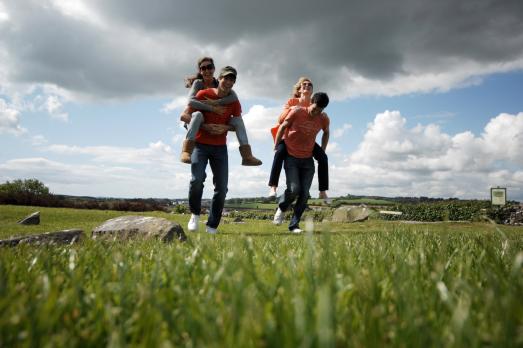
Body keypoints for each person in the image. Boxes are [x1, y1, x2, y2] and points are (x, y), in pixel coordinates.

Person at [186, 66, 249, 234]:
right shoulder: (202, 95)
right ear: (219, 78)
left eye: (232, 80)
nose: (228, 82)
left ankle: (212, 225)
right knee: (196, 180)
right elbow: (189, 118)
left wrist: (225, 128)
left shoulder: (234, 102)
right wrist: (205, 126)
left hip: (220, 148)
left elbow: (237, 124)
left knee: (222, 188)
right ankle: (195, 214)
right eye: (225, 78)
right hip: (200, 145)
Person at [180, 57, 261, 166]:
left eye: (209, 67)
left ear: (214, 69)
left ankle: (247, 156)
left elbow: (233, 98)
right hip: (196, 123)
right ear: (200, 71)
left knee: (238, 121)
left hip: (217, 127)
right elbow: (188, 108)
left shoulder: (220, 85)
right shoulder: (198, 84)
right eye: (203, 68)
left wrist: (216, 103)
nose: (206, 70)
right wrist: (211, 110)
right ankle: (186, 151)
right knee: (197, 115)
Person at [272, 92, 330, 233]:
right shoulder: (297, 112)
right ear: (311, 102)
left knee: (304, 194)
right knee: (294, 189)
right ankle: (282, 207)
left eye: (320, 110)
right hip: (291, 157)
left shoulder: (323, 118)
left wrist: (322, 149)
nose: (316, 112)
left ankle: (294, 225)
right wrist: (277, 145)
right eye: (314, 108)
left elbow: (326, 132)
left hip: (307, 160)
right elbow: (283, 126)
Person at [268, 77, 329, 200]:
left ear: (312, 92)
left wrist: (322, 148)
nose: (306, 86)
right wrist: (292, 109)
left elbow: (323, 126)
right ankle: (273, 187)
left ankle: (322, 191)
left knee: (323, 157)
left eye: (309, 85)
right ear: (299, 89)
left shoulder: (316, 103)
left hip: (306, 139)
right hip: (288, 136)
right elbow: (280, 120)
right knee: (279, 153)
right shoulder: (292, 102)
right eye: (304, 84)